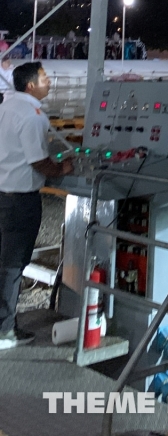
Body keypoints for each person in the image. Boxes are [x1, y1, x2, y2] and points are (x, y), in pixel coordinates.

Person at [0, 62, 73, 349]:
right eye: (44, 78)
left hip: (3, 194)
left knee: (4, 263)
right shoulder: (33, 116)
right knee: (13, 265)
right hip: (21, 201)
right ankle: (5, 330)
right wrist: (63, 168)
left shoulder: (6, 106)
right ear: (30, 85)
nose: (49, 82)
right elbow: (38, 160)